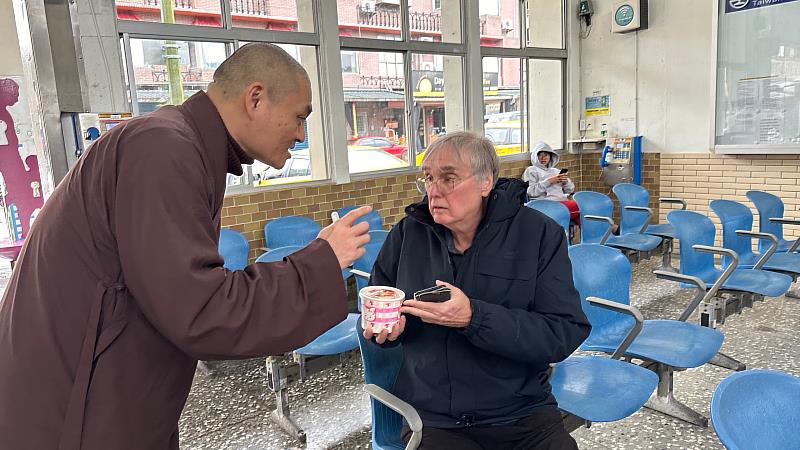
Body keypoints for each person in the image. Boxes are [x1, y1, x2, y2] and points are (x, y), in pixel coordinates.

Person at [0, 43, 372, 450]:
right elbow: (201, 309)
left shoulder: (180, 143)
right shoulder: (161, 147)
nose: (302, 135)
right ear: (255, 98)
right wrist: (321, 261)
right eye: (300, 117)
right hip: (75, 409)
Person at [363, 132, 591, 449]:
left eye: (448, 178)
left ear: (486, 183)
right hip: (435, 418)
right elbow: (379, 310)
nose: (433, 191)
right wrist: (385, 330)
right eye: (428, 178)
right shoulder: (407, 235)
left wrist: (473, 317)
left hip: (521, 412)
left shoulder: (538, 235)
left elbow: (562, 333)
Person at [522, 141, 580, 226]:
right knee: (581, 209)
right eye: (540, 155)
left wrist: (566, 182)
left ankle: (591, 236)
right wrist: (549, 181)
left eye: (546, 155)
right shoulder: (531, 170)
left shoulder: (556, 171)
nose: (543, 158)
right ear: (535, 156)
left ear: (550, 157)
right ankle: (592, 236)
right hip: (545, 204)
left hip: (561, 202)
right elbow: (530, 192)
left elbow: (570, 189)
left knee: (584, 213)